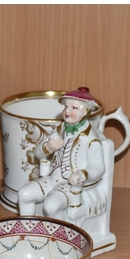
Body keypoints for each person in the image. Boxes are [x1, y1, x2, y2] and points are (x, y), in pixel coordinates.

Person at [18, 87, 105, 219]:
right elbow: (38, 154)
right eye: (66, 107)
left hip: (71, 185)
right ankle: (27, 230)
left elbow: (99, 168)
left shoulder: (91, 139)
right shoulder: (59, 130)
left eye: (73, 108)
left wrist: (82, 173)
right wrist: (48, 147)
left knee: (51, 206)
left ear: (85, 111)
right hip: (51, 179)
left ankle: (61, 236)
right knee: (24, 194)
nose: (67, 111)